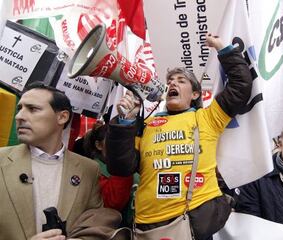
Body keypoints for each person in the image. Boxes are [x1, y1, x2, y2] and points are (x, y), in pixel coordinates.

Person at [105, 34, 252, 240]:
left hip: (191, 222)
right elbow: (121, 167)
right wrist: (125, 122)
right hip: (148, 225)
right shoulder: (146, 125)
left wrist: (224, 49)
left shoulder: (207, 117)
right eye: (170, 81)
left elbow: (240, 86)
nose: (173, 83)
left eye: (181, 81)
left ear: (194, 94)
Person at [0, 83, 121, 240]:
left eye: (32, 109)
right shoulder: (3, 161)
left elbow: (95, 223)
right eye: (19, 109)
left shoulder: (88, 169)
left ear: (62, 117)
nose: (19, 116)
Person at [86, 122, 139, 227]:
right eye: (113, 140)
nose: (119, 144)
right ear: (98, 145)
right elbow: (113, 204)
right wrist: (122, 165)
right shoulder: (92, 170)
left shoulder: (136, 163)